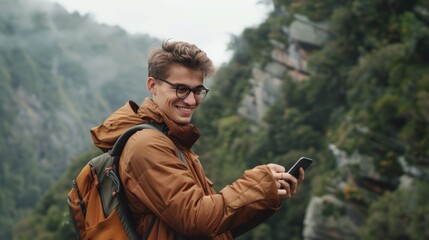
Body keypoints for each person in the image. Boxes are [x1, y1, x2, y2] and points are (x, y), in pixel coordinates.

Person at [90, 40, 305, 239]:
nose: (191, 100)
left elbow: (217, 227)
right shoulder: (147, 145)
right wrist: (258, 184)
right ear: (153, 85)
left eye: (198, 90)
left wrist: (267, 195)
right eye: (181, 89)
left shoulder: (173, 141)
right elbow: (196, 220)